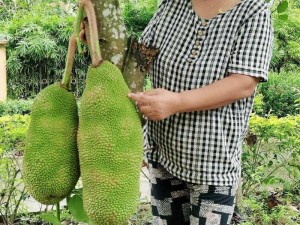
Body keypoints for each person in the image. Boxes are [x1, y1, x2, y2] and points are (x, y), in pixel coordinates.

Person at [128, 0, 274, 224]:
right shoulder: (174, 4)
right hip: (163, 156)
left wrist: (176, 102)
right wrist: (97, 37)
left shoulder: (253, 10)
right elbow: (141, 57)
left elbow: (244, 82)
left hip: (213, 165)